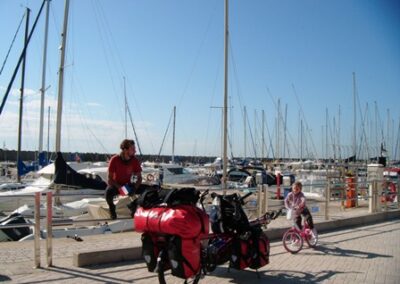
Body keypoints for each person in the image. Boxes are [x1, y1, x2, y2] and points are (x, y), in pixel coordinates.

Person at [105, 139, 142, 219]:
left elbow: (139, 178)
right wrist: (120, 188)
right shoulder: (115, 159)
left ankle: (133, 206)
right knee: (108, 192)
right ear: (125, 150)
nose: (135, 151)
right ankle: (112, 208)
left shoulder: (134, 160)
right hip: (117, 186)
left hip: (128, 186)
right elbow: (109, 179)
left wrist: (135, 187)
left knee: (147, 190)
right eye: (133, 149)